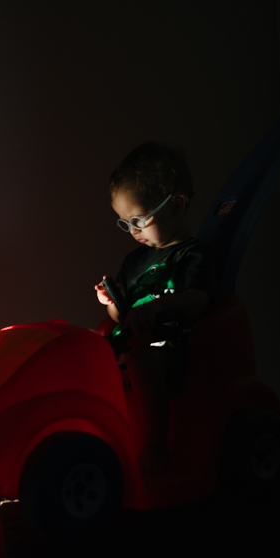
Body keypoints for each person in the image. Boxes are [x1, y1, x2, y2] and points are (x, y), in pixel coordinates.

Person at [94, 142, 217, 476]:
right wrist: (113, 304)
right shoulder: (135, 260)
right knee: (88, 351)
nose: (133, 231)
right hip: (134, 345)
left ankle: (156, 447)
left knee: (143, 360)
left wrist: (164, 305)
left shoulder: (192, 255)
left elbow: (199, 299)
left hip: (178, 353)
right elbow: (124, 316)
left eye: (138, 219)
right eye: (125, 222)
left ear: (176, 206)